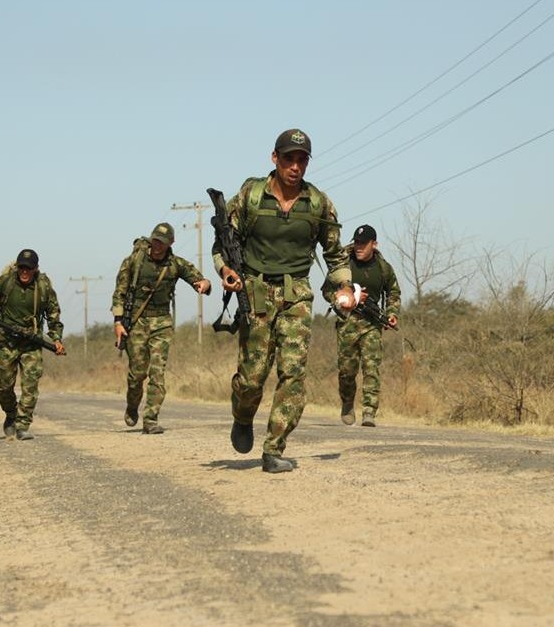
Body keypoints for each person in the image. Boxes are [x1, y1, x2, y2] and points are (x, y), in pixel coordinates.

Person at [213, 128, 356, 473]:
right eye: (288, 158)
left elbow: (336, 256)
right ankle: (242, 414)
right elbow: (223, 242)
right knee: (252, 379)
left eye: (302, 159)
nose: (295, 166)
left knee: (292, 374)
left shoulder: (319, 203)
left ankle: (274, 449)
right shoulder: (251, 195)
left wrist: (344, 289)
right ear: (274, 158)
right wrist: (226, 271)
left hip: (297, 297)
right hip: (255, 291)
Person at [112, 222, 211, 434]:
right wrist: (118, 322)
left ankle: (151, 419)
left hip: (162, 323)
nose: (158, 245)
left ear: (170, 243)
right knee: (137, 373)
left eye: (162, 242)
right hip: (137, 322)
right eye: (155, 240)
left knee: (157, 373)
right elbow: (119, 291)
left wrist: (204, 284)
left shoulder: (175, 264)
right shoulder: (134, 261)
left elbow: (199, 278)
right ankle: (132, 405)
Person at [0, 249, 65, 440]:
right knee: (4, 385)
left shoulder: (44, 287)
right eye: (21, 267)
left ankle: (23, 424)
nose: (24, 272)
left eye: (28, 268)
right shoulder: (5, 282)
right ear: (17, 267)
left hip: (31, 343)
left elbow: (53, 314)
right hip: (7, 342)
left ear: (36, 269)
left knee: (30, 385)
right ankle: (11, 414)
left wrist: (56, 338)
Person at [322, 224, 401, 427]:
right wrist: (347, 298)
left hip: (372, 324)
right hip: (347, 322)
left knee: (371, 367)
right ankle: (347, 403)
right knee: (347, 371)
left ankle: (369, 412)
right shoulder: (343, 265)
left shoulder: (383, 268)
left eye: (364, 244)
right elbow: (327, 291)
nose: (359, 247)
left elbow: (393, 292)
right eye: (356, 242)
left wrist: (392, 314)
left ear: (374, 244)